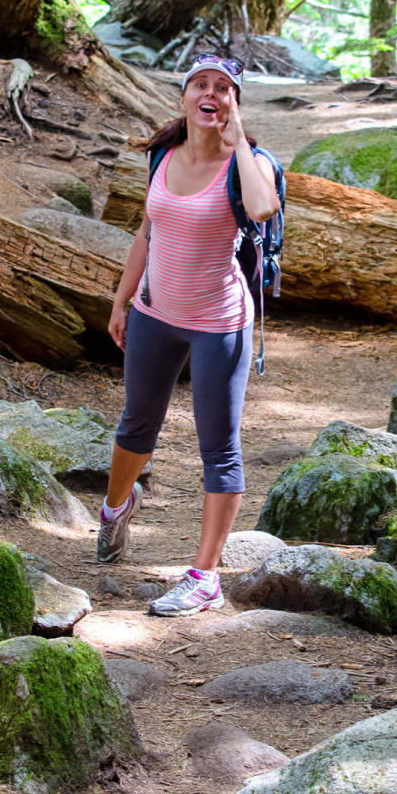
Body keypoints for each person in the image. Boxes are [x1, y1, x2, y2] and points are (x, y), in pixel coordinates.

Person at [98, 53, 281, 616]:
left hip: (219, 324)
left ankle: (205, 576)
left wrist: (240, 142)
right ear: (183, 97)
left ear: (235, 103)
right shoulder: (163, 154)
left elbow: (262, 206)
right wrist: (122, 299)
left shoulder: (249, 164)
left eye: (224, 88)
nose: (211, 94)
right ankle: (114, 508)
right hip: (155, 312)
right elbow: (147, 232)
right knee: (136, 425)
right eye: (200, 85)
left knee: (219, 450)